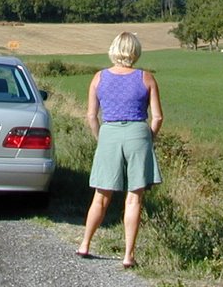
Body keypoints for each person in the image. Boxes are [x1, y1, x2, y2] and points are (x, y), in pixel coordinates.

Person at [76, 31, 163, 269]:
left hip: (109, 134)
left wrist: (100, 137)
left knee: (101, 196)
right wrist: (148, 139)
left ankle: (85, 244)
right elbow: (157, 117)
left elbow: (91, 115)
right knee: (134, 199)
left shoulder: (98, 78)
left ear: (114, 49)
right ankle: (128, 255)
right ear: (135, 52)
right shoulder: (146, 78)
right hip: (138, 134)